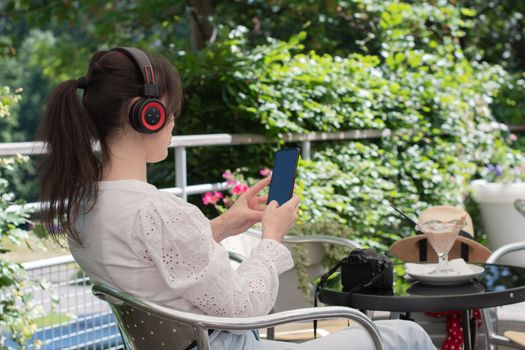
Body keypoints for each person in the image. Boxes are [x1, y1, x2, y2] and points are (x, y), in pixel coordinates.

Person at [37, 47, 436, 350]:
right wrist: (272, 239)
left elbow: (149, 263)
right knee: (408, 334)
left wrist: (223, 226)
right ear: (148, 115)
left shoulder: (84, 206)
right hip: (229, 344)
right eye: (171, 110)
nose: (174, 121)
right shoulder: (157, 209)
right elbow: (245, 308)